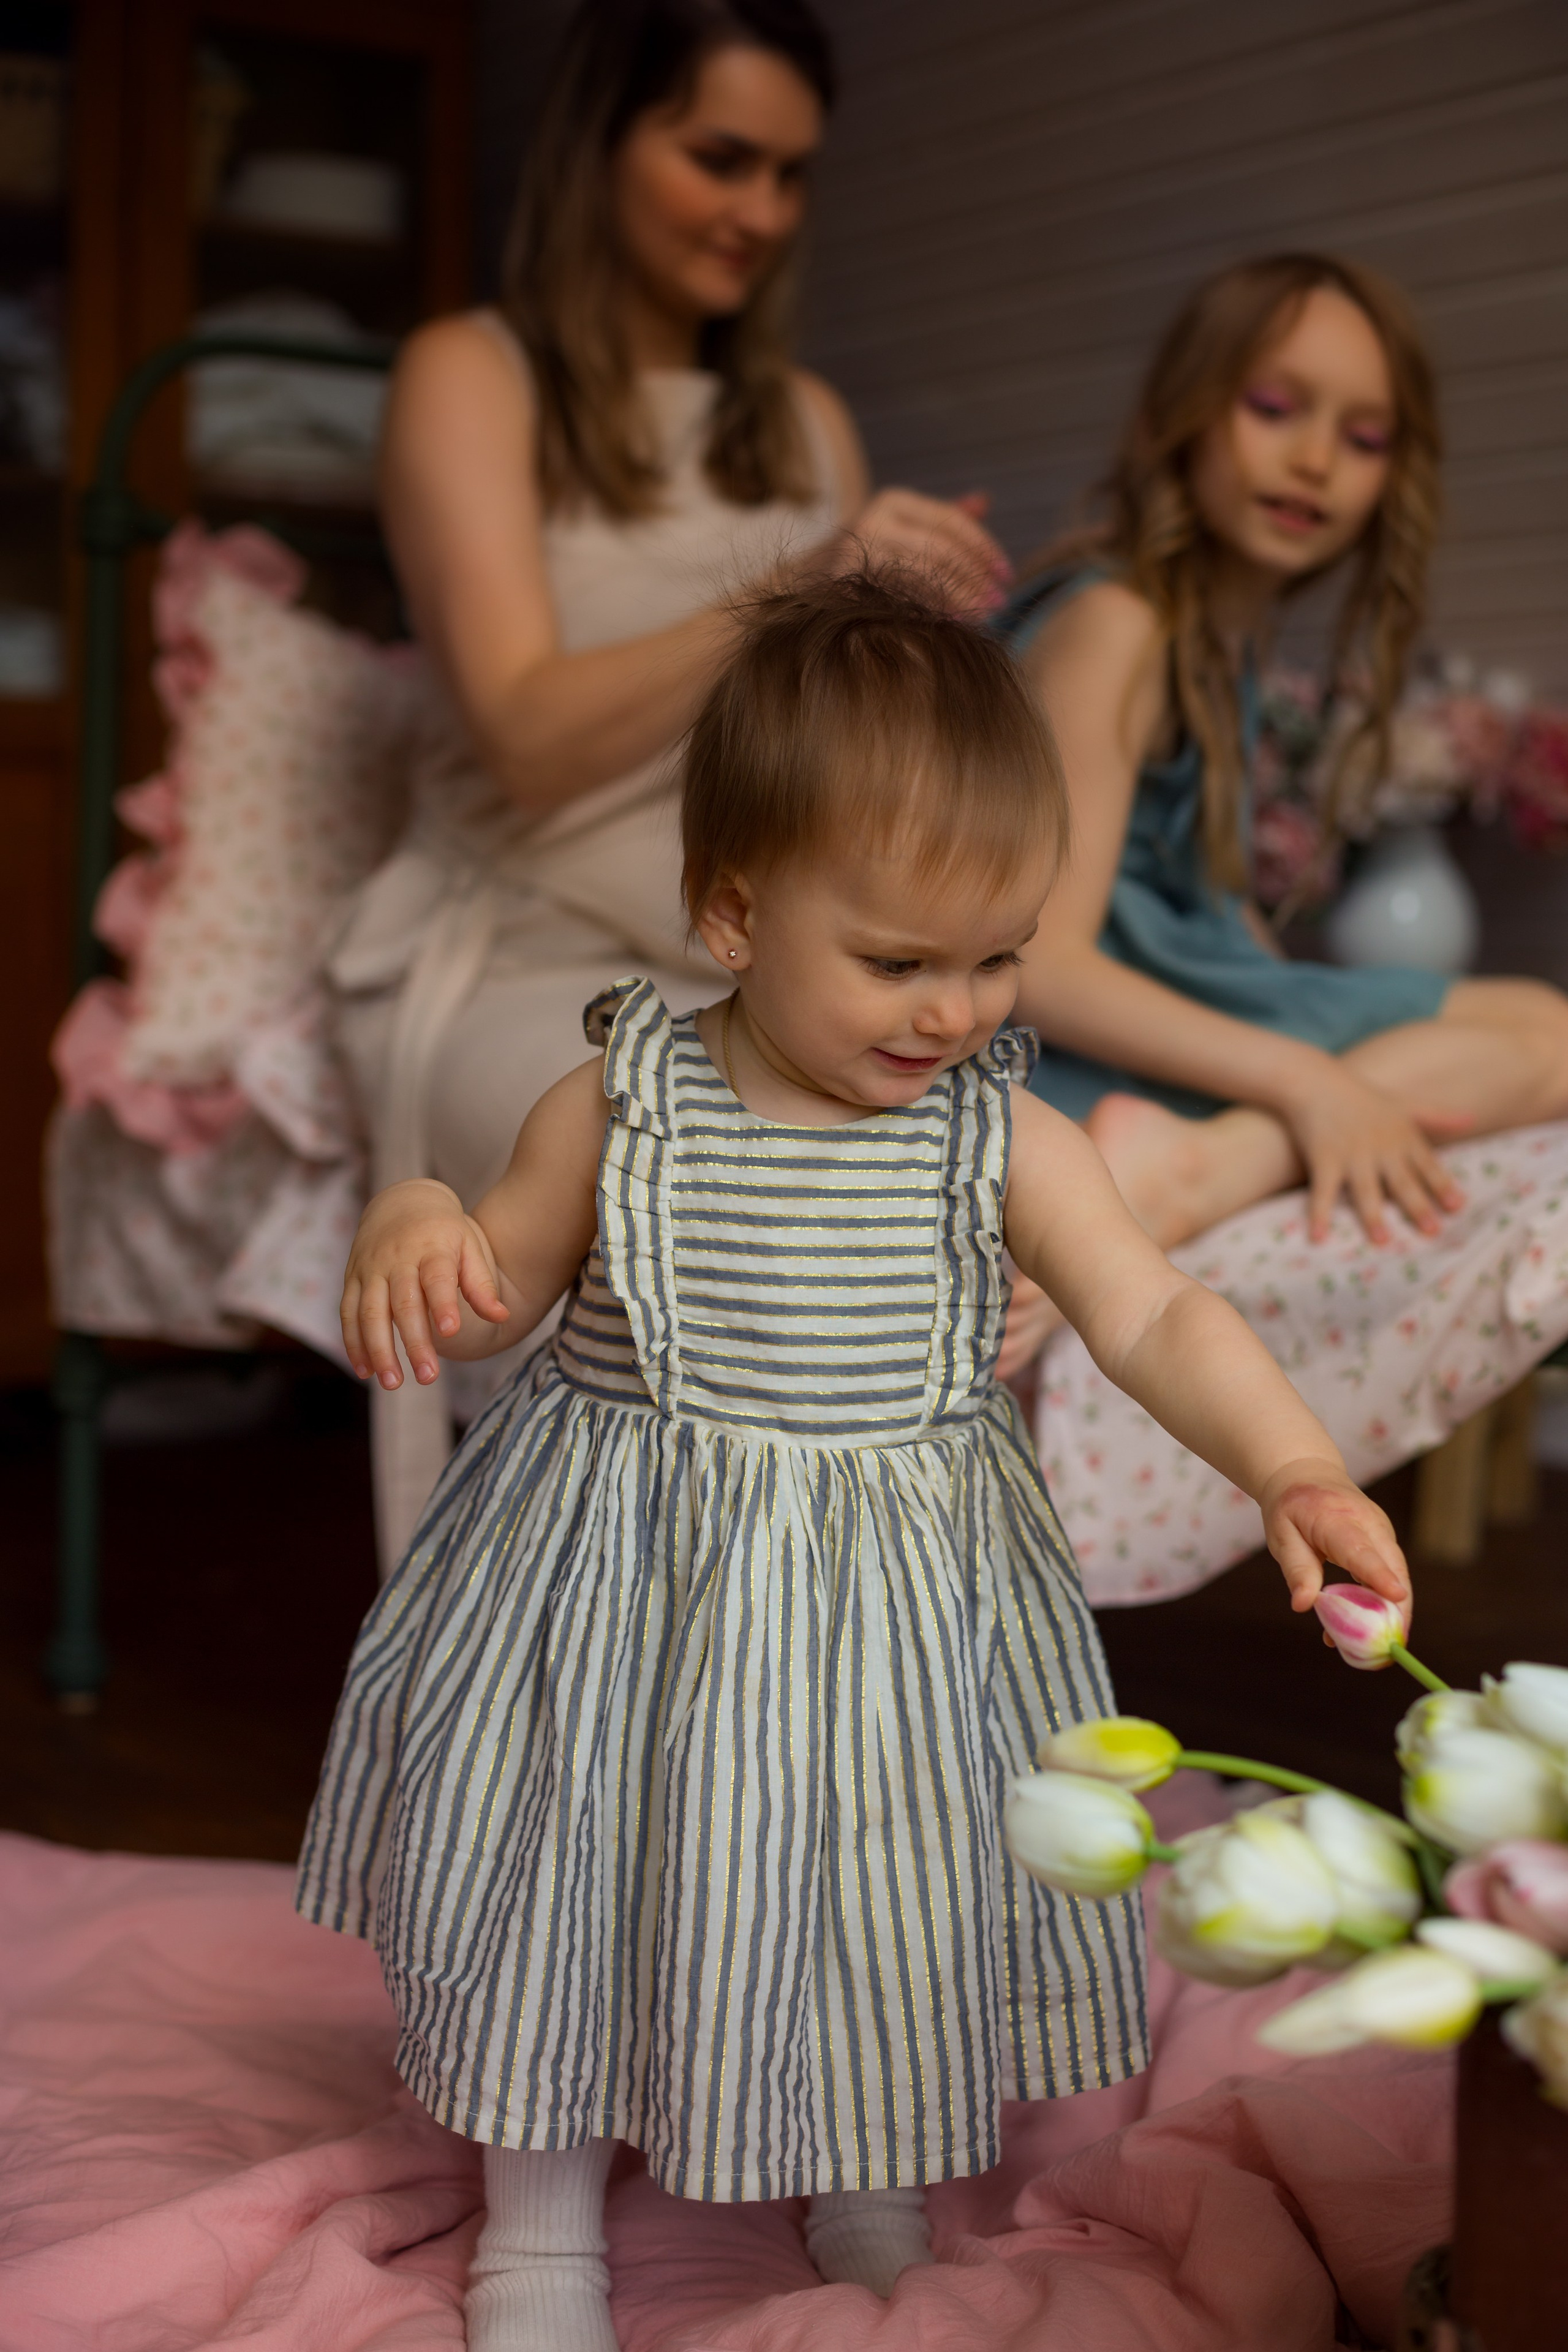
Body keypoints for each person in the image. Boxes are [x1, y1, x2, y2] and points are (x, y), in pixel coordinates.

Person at [298, 572, 1413, 2352]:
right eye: (897, 961)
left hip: (894, 1611)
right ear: (736, 912)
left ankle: (867, 2165)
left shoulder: (1004, 1137)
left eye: (996, 956)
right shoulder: (624, 1101)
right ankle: (541, 2216)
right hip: (625, 1588)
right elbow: (495, 1290)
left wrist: (1292, 1464)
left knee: (878, 1871)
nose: (953, 1009)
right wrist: (415, 1218)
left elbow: (1154, 1314)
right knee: (582, 1877)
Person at [336, 0, 1008, 1553]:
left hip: (767, 951)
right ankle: (598, 1659)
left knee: (936, 1184)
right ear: (598, 139)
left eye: (788, 176)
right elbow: (521, 733)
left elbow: (837, 750)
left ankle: (856, 1663)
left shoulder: (805, 420)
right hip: (519, 946)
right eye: (720, 158)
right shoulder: (469, 375)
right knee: (682, 1208)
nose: (758, 214)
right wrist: (801, 587)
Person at [999, 252, 1568, 1366]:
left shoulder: (1220, 644)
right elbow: (1038, 961)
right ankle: (1187, 1171)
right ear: (1183, 414)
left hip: (1154, 1006)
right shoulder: (1120, 622)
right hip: (1058, 1055)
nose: (1314, 461)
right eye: (1273, 409)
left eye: (1364, 439)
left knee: (1533, 1023)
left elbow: (1196, 907)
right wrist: (1305, 1079)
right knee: (1550, 1040)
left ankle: (1222, 1155)